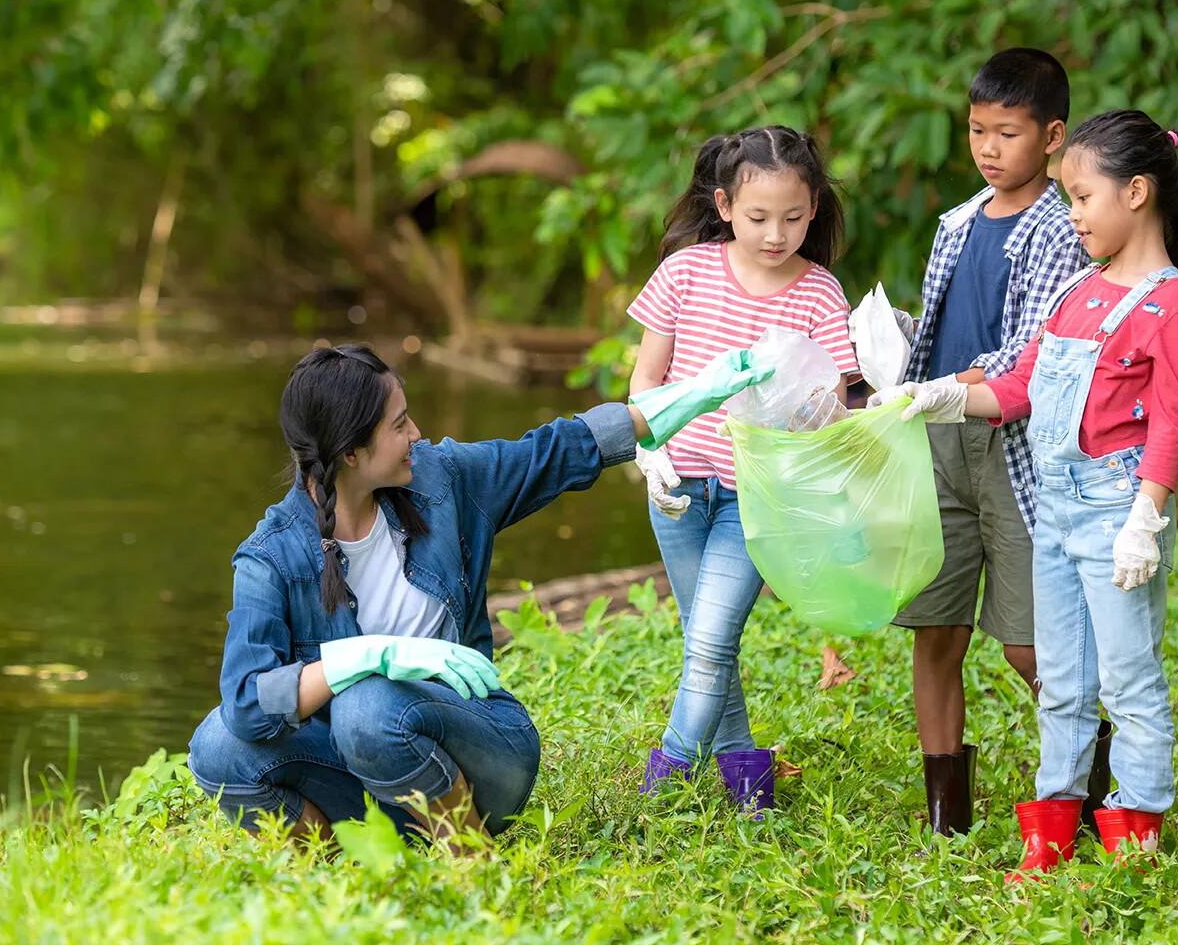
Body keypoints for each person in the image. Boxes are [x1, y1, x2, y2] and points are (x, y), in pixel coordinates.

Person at [187, 341, 771, 849]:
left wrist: (698, 392)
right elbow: (246, 702)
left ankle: (468, 857)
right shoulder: (271, 556)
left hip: (480, 755)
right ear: (350, 454)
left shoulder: (446, 481)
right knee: (215, 746)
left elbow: (565, 447)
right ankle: (340, 863)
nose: (415, 433)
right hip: (363, 776)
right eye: (398, 425)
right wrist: (368, 656)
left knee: (368, 710)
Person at [875, 109, 1178, 878]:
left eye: (1081, 196)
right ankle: (1052, 834)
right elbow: (1022, 386)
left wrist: (1145, 516)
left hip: (1117, 509)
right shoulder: (1078, 291)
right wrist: (938, 398)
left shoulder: (1176, 303)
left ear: (1136, 193)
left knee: (1129, 678)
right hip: (1058, 512)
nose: (1072, 214)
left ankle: (1137, 832)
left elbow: (1172, 422)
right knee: (1060, 680)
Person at [627, 125, 858, 816]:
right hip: (675, 488)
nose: (775, 233)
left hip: (755, 496)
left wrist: (821, 412)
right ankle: (748, 781)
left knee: (709, 639)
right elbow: (646, 378)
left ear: (814, 207)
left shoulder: (819, 293)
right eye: (758, 217)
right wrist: (649, 450)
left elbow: (832, 408)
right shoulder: (684, 273)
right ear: (725, 205)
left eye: (792, 217)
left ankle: (660, 781)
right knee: (708, 638)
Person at [891, 48, 1091, 837]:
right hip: (940, 443)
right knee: (935, 631)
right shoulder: (958, 222)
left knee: (1026, 643)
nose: (988, 147)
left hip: (1012, 452)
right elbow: (938, 335)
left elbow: (1032, 353)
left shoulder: (1059, 229)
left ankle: (1086, 776)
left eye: (1006, 133)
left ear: (1051, 136)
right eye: (977, 130)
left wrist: (958, 383)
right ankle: (947, 815)